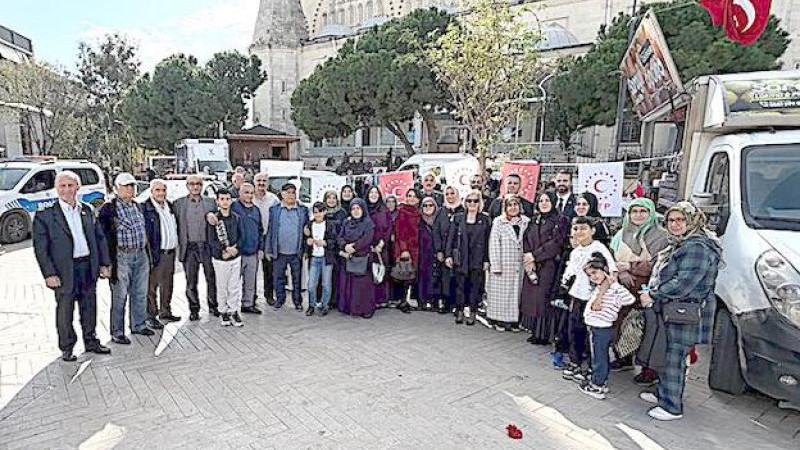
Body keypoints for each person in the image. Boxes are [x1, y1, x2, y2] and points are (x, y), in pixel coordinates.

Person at [638, 202, 722, 421]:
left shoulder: (696, 247)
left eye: (680, 220)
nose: (675, 225)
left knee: (674, 356)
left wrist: (654, 294)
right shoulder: (683, 243)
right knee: (668, 352)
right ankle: (663, 393)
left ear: (692, 220)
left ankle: (671, 406)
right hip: (677, 308)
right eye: (671, 220)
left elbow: (684, 283)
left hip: (685, 310)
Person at [33, 171, 112, 361]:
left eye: (71, 185)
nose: (67, 190)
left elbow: (99, 239)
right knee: (65, 310)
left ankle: (91, 340)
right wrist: (49, 274)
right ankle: (67, 347)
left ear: (78, 187)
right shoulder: (46, 216)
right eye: (62, 186)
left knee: (89, 307)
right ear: (56, 189)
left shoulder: (86, 210)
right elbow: (41, 249)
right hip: (63, 271)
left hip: (87, 267)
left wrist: (104, 264)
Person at [609, 198, 669, 382]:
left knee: (646, 329)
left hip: (646, 290)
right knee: (621, 324)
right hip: (622, 289)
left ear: (651, 213)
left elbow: (657, 264)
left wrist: (629, 266)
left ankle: (648, 370)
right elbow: (612, 259)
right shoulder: (621, 234)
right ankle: (623, 357)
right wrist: (620, 274)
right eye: (634, 211)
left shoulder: (661, 236)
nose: (638, 215)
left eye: (643, 211)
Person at [560, 216, 617, 382]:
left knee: (590, 337)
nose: (579, 232)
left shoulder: (598, 249)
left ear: (592, 230)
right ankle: (575, 363)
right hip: (576, 297)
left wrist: (599, 297)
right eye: (576, 229)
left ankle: (593, 371)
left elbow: (611, 274)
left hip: (593, 300)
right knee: (574, 332)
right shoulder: (576, 251)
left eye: (583, 228)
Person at [99, 172, 154, 344]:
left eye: (132, 185)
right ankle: (117, 331)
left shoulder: (138, 207)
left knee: (140, 293)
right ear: (117, 189)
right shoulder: (109, 209)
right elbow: (102, 236)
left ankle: (138, 324)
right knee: (120, 295)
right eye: (126, 186)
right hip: (121, 256)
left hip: (140, 254)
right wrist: (105, 263)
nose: (130, 189)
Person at [578, 252, 636, 400]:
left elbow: (629, 299)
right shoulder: (599, 288)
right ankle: (597, 379)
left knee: (600, 357)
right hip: (594, 327)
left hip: (602, 328)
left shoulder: (613, 289)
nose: (593, 276)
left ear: (604, 269)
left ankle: (598, 385)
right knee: (597, 355)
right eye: (590, 274)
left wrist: (615, 285)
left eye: (595, 272)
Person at [520, 192, 569, 344]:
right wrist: (528, 256)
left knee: (544, 299)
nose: (544, 203)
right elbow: (526, 238)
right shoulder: (535, 219)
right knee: (533, 299)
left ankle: (545, 334)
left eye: (547, 200)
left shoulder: (561, 220)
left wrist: (535, 255)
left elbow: (556, 243)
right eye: (541, 200)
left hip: (549, 264)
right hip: (533, 264)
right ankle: (535, 331)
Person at [175, 175, 219, 321]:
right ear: (187, 186)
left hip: (206, 246)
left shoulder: (210, 203)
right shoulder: (179, 204)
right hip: (189, 247)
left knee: (211, 278)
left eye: (198, 184)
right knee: (191, 281)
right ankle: (194, 309)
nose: (195, 186)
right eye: (192, 184)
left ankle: (213, 305)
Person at [485, 195, 530, 332]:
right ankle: (500, 320)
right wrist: (496, 265)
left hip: (519, 263)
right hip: (504, 263)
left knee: (516, 293)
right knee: (502, 295)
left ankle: (514, 321)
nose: (513, 208)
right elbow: (493, 243)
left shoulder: (526, 222)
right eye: (509, 205)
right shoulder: (499, 222)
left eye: (515, 205)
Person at [445, 190, 491, 325]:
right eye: (469, 201)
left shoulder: (485, 219)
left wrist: (486, 260)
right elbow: (451, 238)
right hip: (461, 256)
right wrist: (448, 255)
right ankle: (459, 310)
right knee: (460, 285)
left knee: (474, 286)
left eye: (475, 201)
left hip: (477, 257)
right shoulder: (458, 218)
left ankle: (472, 311)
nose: (472, 203)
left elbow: (488, 240)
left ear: (479, 203)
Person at [140, 179, 181, 328]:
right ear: (151, 192)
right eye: (157, 190)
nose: (161, 193)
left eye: (163, 190)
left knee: (167, 284)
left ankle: (165, 311)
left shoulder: (170, 206)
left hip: (170, 253)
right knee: (151, 287)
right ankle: (151, 315)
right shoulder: (145, 208)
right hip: (155, 253)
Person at [266, 183, 309, 310]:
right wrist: (268, 249)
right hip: (279, 251)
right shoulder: (275, 210)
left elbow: (307, 231)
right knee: (278, 278)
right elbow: (270, 230)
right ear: (282, 194)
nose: (291, 195)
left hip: (296, 252)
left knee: (297, 279)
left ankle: (297, 301)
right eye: (288, 192)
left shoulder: (302, 210)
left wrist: (306, 250)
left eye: (293, 192)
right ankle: (280, 299)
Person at [207, 188, 245, 327]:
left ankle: (233, 310)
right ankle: (223, 311)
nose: (225, 202)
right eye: (222, 199)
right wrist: (224, 249)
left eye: (227, 199)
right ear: (217, 201)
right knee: (222, 286)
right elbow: (211, 240)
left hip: (235, 257)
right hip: (220, 258)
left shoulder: (236, 217)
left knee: (234, 286)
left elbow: (242, 236)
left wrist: (236, 249)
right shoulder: (214, 219)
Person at [337, 198, 377, 318]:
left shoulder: (368, 223)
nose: (355, 211)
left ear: (363, 209)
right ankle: (348, 308)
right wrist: (345, 246)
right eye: (353, 209)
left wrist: (354, 247)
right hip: (348, 258)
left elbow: (367, 238)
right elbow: (340, 237)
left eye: (358, 208)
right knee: (348, 285)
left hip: (362, 258)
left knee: (362, 287)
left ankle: (364, 310)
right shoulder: (346, 223)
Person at [232, 183, 264, 314]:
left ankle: (248, 304)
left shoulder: (256, 210)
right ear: (240, 193)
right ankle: (231, 307)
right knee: (233, 282)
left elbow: (260, 230)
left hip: (253, 252)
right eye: (246, 192)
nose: (249, 195)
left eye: (251, 193)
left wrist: (261, 248)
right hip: (237, 253)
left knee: (251, 281)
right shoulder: (234, 207)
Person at [433, 186, 464, 313]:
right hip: (444, 250)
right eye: (448, 194)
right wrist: (439, 250)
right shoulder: (441, 211)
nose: (450, 196)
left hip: (458, 251)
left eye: (452, 193)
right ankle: (445, 303)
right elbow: (436, 231)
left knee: (458, 279)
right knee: (445, 278)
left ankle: (458, 305)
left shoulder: (463, 210)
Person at [304, 202, 337, 316]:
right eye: (315, 212)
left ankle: (324, 305)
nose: (318, 214)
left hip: (326, 257)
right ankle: (311, 305)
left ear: (324, 212)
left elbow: (335, 241)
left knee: (326, 283)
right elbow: (306, 238)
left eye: (320, 212)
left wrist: (325, 243)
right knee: (311, 284)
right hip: (314, 257)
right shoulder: (309, 224)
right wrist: (308, 241)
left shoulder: (330, 225)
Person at [392, 189, 422, 313]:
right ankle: (403, 301)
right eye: (409, 196)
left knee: (412, 274)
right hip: (406, 248)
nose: (411, 198)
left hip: (417, 247)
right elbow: (400, 232)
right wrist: (404, 250)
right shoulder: (402, 212)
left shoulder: (419, 212)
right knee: (405, 273)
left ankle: (409, 299)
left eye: (414, 196)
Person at [253, 173, 278, 306]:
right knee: (252, 269)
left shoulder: (273, 199)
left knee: (269, 269)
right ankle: (251, 296)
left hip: (268, 237)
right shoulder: (249, 197)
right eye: (259, 180)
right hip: (253, 237)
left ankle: (269, 295)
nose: (261, 183)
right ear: (254, 182)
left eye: (264, 181)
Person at [365, 186, 392, 307]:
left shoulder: (384, 210)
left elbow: (388, 228)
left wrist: (381, 243)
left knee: (381, 271)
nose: (373, 195)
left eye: (376, 192)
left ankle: (381, 299)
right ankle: (370, 299)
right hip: (367, 246)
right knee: (369, 273)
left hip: (381, 246)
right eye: (371, 192)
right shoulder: (364, 209)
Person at [418, 197, 440, 310]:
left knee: (436, 276)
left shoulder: (439, 219)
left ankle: (434, 301)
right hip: (422, 253)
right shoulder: (419, 219)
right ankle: (422, 300)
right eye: (425, 205)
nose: (428, 208)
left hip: (436, 252)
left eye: (430, 205)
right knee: (423, 276)